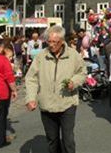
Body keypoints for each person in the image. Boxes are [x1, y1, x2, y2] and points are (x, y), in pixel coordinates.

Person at [25, 25, 86, 153]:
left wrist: (73, 82)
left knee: (68, 139)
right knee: (52, 140)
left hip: (67, 103)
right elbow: (31, 79)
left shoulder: (73, 55)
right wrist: (30, 98)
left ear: (62, 41)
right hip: (47, 104)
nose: (51, 45)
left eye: (55, 42)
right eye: (49, 41)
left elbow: (82, 73)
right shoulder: (41, 57)